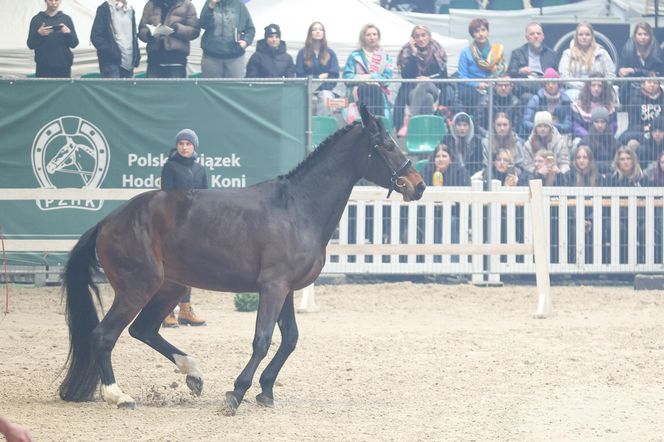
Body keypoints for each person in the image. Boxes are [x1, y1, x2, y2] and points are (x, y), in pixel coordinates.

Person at [160, 129, 208, 327]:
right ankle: (166, 311)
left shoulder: (200, 169)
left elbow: (205, 198)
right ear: (177, 146)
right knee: (170, 267)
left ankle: (185, 309)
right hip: (174, 224)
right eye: (181, 144)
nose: (184, 147)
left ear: (194, 146)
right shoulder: (169, 167)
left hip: (193, 225)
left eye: (188, 144)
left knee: (189, 267)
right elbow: (166, 196)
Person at [394, 24, 449, 136]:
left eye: (423, 35)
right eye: (417, 36)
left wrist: (428, 79)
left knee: (425, 84)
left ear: (429, 36)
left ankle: (411, 122)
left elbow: (444, 77)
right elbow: (406, 75)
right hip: (412, 91)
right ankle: (426, 133)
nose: (421, 39)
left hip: (435, 88)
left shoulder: (437, 50)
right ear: (413, 39)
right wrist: (414, 53)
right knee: (427, 98)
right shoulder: (407, 51)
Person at [342, 24, 394, 123]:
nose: (372, 37)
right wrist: (362, 78)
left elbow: (387, 80)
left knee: (372, 92)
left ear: (378, 36)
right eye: (368, 35)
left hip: (379, 93)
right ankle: (375, 126)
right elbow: (347, 78)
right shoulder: (354, 56)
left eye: (374, 34)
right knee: (366, 90)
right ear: (363, 37)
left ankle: (372, 127)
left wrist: (372, 76)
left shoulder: (386, 57)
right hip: (358, 92)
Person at [138, 0, 200, 78]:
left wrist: (177, 29)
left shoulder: (186, 4)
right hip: (154, 58)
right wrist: (149, 33)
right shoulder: (151, 4)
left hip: (176, 59)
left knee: (174, 89)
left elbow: (195, 31)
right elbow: (141, 30)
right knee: (153, 89)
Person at [456, 18, 506, 111]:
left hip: (492, 87)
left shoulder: (496, 51)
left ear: (487, 32)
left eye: (483, 30)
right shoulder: (466, 52)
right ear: (472, 34)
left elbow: (502, 71)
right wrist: (477, 84)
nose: (481, 34)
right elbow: (461, 76)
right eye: (476, 31)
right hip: (471, 90)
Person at [199, 0, 255, 78]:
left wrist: (245, 42)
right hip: (211, 57)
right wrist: (210, 6)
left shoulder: (239, 5)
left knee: (234, 88)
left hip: (235, 58)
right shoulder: (209, 3)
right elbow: (202, 24)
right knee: (211, 87)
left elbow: (250, 29)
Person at [558, 22, 615, 96]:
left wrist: (598, 87)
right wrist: (585, 87)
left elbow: (611, 75)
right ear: (576, 37)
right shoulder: (567, 54)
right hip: (575, 91)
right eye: (581, 34)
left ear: (592, 37)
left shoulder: (602, 53)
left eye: (587, 34)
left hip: (599, 91)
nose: (584, 37)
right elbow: (564, 76)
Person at [295, 22, 340, 116]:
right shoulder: (302, 53)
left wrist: (320, 85)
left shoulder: (330, 53)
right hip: (307, 89)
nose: (318, 31)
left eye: (320, 29)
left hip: (326, 90)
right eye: (314, 29)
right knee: (306, 100)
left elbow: (334, 75)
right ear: (310, 33)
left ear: (324, 33)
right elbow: (300, 74)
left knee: (325, 96)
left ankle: (322, 127)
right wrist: (319, 77)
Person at [27, 0, 79, 78]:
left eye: (56, 0)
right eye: (50, 0)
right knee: (44, 90)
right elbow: (30, 45)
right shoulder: (36, 19)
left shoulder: (67, 19)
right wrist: (39, 34)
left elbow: (74, 44)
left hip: (63, 66)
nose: (54, 3)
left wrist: (68, 33)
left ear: (60, 1)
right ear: (45, 1)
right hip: (43, 67)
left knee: (63, 90)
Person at [507, 22, 558, 102]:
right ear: (527, 37)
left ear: (543, 36)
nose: (536, 36)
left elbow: (557, 74)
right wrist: (520, 71)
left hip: (546, 86)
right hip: (526, 88)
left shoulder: (552, 54)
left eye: (538, 34)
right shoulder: (517, 53)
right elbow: (510, 72)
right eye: (532, 34)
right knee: (528, 97)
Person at [90, 0, 141, 78]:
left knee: (126, 89)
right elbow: (96, 36)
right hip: (111, 62)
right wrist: (111, 52)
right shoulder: (105, 8)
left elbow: (133, 35)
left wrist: (136, 55)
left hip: (129, 60)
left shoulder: (130, 9)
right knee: (113, 89)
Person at [617, 22, 664, 103]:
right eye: (640, 34)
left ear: (650, 36)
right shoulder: (627, 49)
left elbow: (657, 74)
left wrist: (633, 70)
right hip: (632, 87)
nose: (643, 37)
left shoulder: (657, 51)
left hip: (652, 86)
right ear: (635, 36)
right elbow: (620, 71)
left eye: (646, 34)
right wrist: (621, 72)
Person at [522, 68, 573, 136]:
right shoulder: (536, 100)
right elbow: (526, 122)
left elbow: (568, 125)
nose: (550, 85)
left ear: (558, 84)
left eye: (553, 82)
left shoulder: (565, 101)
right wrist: (540, 127)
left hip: (559, 136)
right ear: (544, 84)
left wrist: (551, 126)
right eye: (548, 83)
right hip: (537, 136)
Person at [620, 73, 663, 145]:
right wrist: (644, 128)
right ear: (643, 84)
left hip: (660, 133)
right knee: (632, 144)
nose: (652, 85)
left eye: (655, 83)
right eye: (649, 82)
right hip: (641, 133)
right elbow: (632, 125)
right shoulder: (635, 99)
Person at [571, 74, 618, 138]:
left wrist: (605, 136)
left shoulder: (610, 105)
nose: (596, 88)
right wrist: (589, 137)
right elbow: (576, 126)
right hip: (584, 138)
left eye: (599, 86)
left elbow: (613, 125)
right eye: (593, 85)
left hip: (605, 138)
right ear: (588, 87)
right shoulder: (579, 104)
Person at [579, 106, 620, 174]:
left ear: (607, 123)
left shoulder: (615, 143)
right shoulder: (584, 142)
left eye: (603, 122)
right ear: (592, 123)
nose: (600, 125)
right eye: (596, 122)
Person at [478, 73, 522, 137]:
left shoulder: (516, 102)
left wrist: (508, 135)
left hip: (509, 137)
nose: (503, 88)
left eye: (506, 85)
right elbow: (479, 125)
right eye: (500, 85)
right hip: (489, 137)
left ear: (511, 87)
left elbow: (517, 125)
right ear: (495, 86)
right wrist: (487, 134)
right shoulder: (485, 101)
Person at [441, 112, 484, 176]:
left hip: (473, 176)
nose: (462, 128)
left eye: (465, 125)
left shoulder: (477, 142)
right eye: (459, 125)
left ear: (470, 127)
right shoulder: (447, 140)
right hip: (451, 175)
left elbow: (479, 164)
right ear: (454, 126)